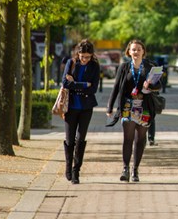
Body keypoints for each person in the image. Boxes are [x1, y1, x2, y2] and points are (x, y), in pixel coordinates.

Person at [106, 39, 161, 182]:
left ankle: (135, 170)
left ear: (143, 51)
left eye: (138, 49)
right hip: (128, 106)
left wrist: (149, 85)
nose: (135, 52)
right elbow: (116, 87)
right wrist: (110, 106)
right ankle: (125, 168)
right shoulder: (124, 67)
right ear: (128, 52)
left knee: (140, 139)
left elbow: (158, 86)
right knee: (128, 137)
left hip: (144, 106)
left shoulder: (150, 66)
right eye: (133, 50)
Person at [62, 39, 100, 185]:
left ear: (91, 56)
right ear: (78, 54)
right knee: (70, 139)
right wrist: (83, 84)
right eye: (82, 56)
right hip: (71, 107)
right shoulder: (71, 63)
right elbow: (65, 83)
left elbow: (94, 88)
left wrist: (75, 84)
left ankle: (76, 171)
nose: (84, 59)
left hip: (86, 107)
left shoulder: (94, 66)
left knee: (81, 139)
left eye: (87, 57)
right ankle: (68, 166)